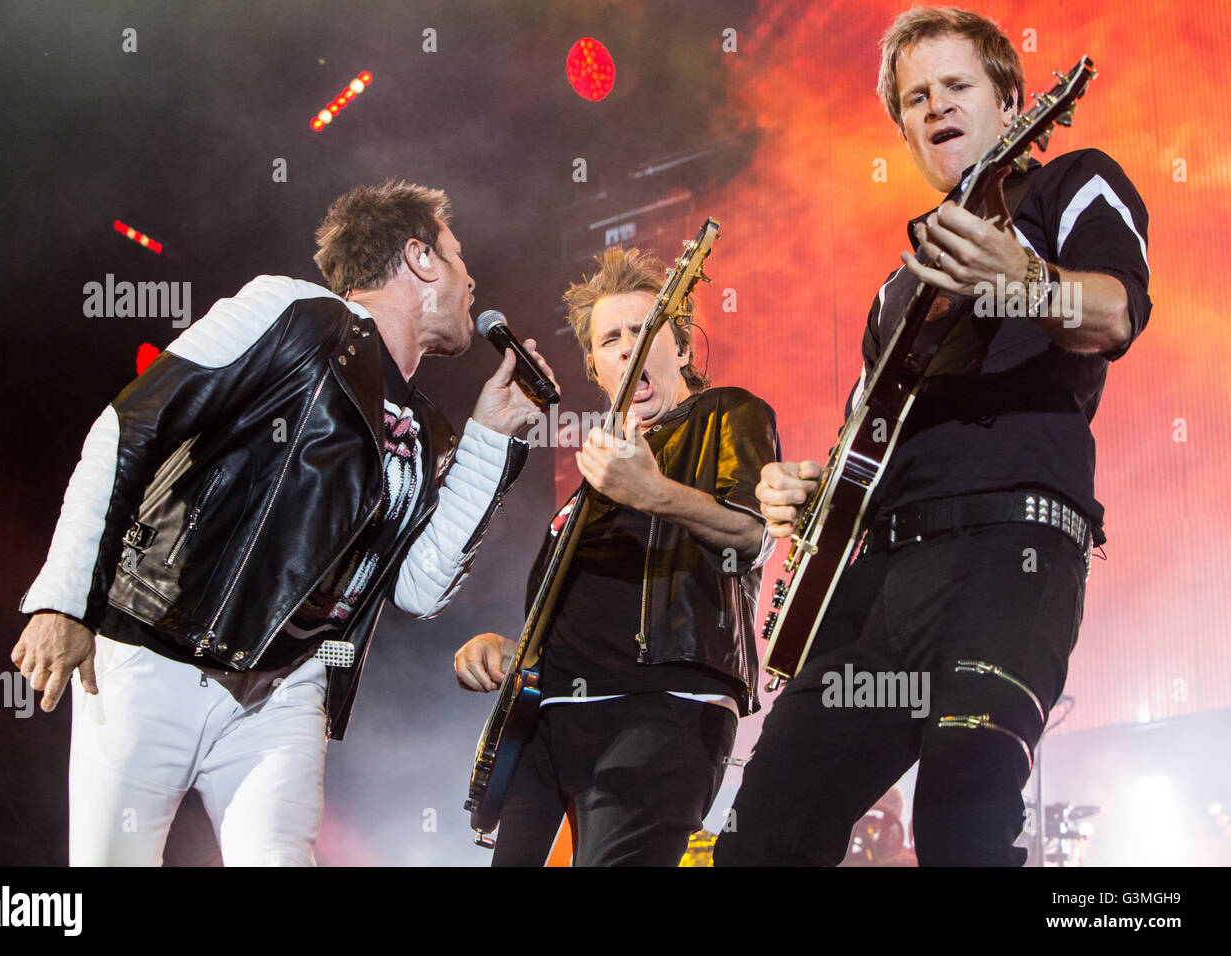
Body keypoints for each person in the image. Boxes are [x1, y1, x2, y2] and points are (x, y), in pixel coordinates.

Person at [715, 6, 1150, 867]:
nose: (935, 106)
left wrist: (1024, 280)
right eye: (915, 98)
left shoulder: (1072, 184)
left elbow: (1115, 311)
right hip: (876, 583)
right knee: (764, 831)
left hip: (1010, 553)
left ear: (1013, 102)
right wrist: (806, 492)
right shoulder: (894, 292)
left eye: (957, 86)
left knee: (962, 822)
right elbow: (860, 450)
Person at [11, 180, 551, 866]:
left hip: (282, 690)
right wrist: (64, 596)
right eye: (457, 257)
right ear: (417, 259)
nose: (473, 280)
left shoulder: (426, 432)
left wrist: (489, 439)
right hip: (154, 650)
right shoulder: (292, 313)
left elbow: (415, 587)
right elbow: (130, 430)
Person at [454, 246, 781, 866]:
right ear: (596, 367)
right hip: (548, 718)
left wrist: (656, 493)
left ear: (681, 348)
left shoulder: (725, 413)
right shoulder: (592, 479)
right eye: (611, 339)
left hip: (662, 708)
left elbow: (753, 534)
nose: (627, 347)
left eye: (644, 330)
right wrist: (510, 649)